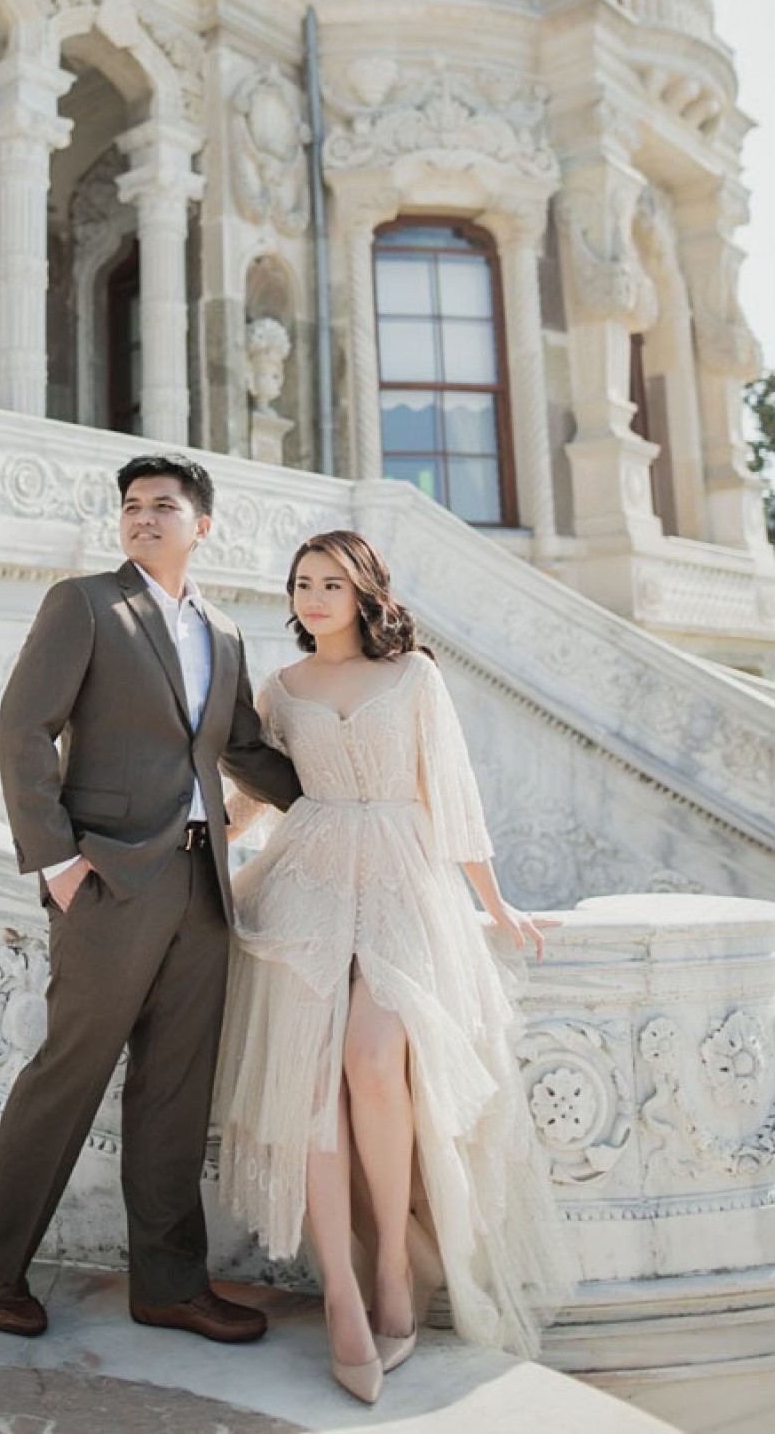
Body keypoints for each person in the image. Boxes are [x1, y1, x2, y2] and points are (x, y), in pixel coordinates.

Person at [214, 530, 575, 1404]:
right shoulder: (282, 688)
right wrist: (183, 841)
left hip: (402, 884)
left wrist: (497, 905)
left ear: (365, 592)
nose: (313, 597)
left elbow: (453, 796)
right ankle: (342, 1290)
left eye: (331, 583)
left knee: (374, 1060)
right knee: (308, 1084)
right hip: (306, 881)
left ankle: (391, 1270)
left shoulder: (414, 676)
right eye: (302, 582)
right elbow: (256, 796)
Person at [0, 453, 303, 1346]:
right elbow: (22, 728)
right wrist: (57, 863)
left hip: (201, 881)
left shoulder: (223, 632)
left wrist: (342, 790)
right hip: (109, 881)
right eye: (132, 505)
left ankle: (170, 1285)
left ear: (202, 525)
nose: (144, 516)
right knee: (70, 1071)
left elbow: (243, 750)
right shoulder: (84, 605)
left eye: (163, 505)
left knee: (175, 1091)